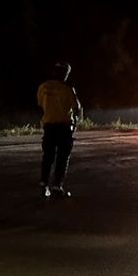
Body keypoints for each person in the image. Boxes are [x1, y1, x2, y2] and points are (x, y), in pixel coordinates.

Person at [37, 61, 83, 197]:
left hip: (49, 126)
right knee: (62, 157)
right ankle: (57, 186)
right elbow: (77, 107)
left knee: (48, 157)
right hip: (63, 127)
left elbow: (40, 104)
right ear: (65, 74)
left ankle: (44, 184)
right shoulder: (67, 89)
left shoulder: (43, 87)